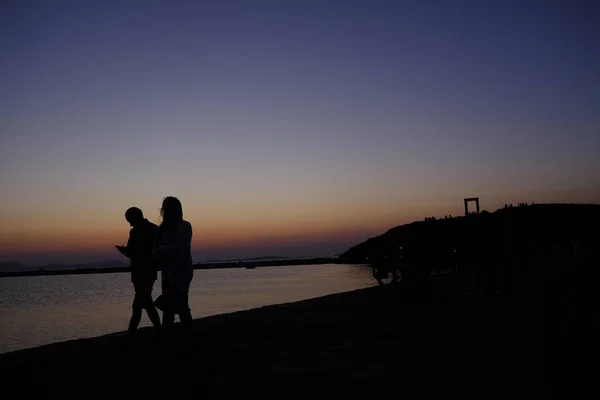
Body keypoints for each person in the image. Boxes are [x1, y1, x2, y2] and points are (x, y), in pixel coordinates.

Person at [116, 207, 161, 334]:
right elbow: (132, 252)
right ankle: (154, 329)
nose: (129, 223)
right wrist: (125, 251)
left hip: (145, 271)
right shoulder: (144, 230)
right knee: (143, 301)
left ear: (136, 217)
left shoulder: (151, 230)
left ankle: (135, 332)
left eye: (129, 219)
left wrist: (126, 251)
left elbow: (149, 251)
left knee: (143, 301)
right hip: (141, 271)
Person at [152, 196, 194, 332]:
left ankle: (185, 334)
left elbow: (179, 247)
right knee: (169, 306)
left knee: (181, 304)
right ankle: (169, 333)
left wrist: (163, 249)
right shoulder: (161, 230)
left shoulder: (184, 226)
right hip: (168, 272)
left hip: (181, 271)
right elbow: (156, 250)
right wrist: (163, 250)